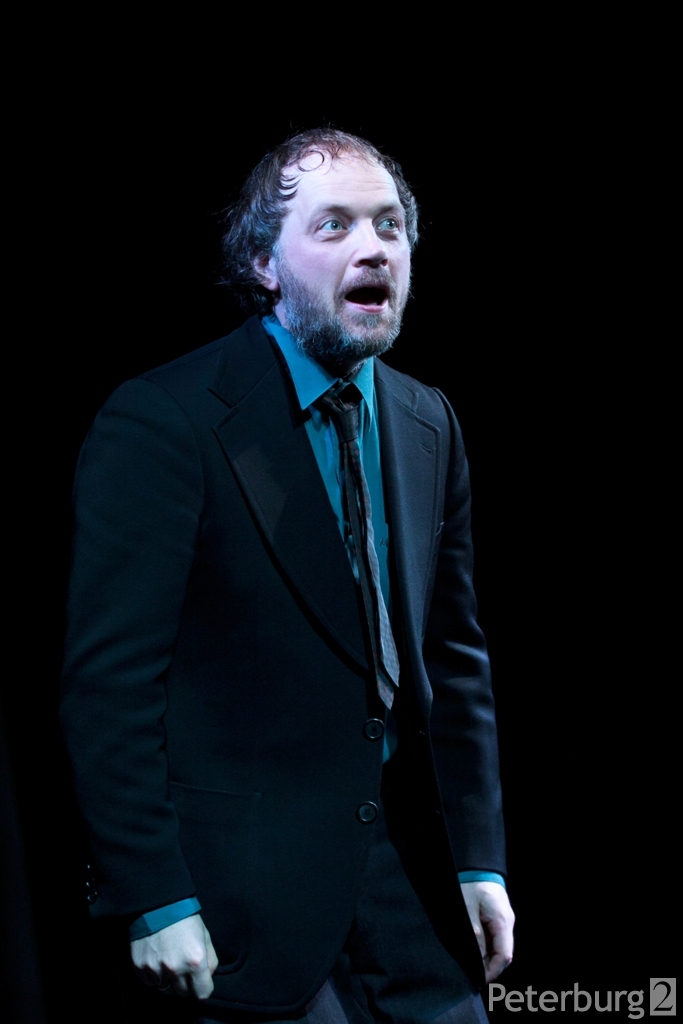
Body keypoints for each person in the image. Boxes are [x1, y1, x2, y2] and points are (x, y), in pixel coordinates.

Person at [60, 129, 514, 1023]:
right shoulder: (166, 420)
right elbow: (109, 686)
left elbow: (453, 663)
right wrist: (153, 895)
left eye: (388, 225)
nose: (372, 248)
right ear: (264, 264)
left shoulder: (427, 421)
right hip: (241, 899)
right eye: (333, 225)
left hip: (411, 894)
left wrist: (477, 860)